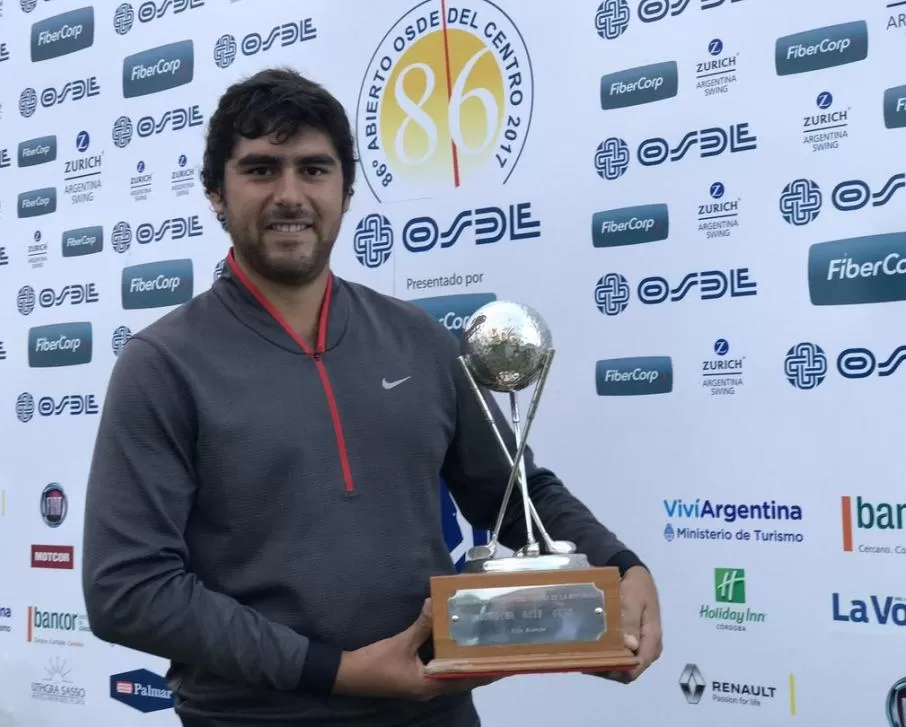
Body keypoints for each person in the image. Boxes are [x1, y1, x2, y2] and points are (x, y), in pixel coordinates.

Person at [81, 67, 662, 726]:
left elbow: (517, 495)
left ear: (347, 189)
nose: (291, 194)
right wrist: (336, 670)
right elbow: (125, 589)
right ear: (216, 192)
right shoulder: (163, 364)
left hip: (434, 712)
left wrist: (621, 567)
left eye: (314, 169)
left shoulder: (419, 339)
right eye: (262, 170)